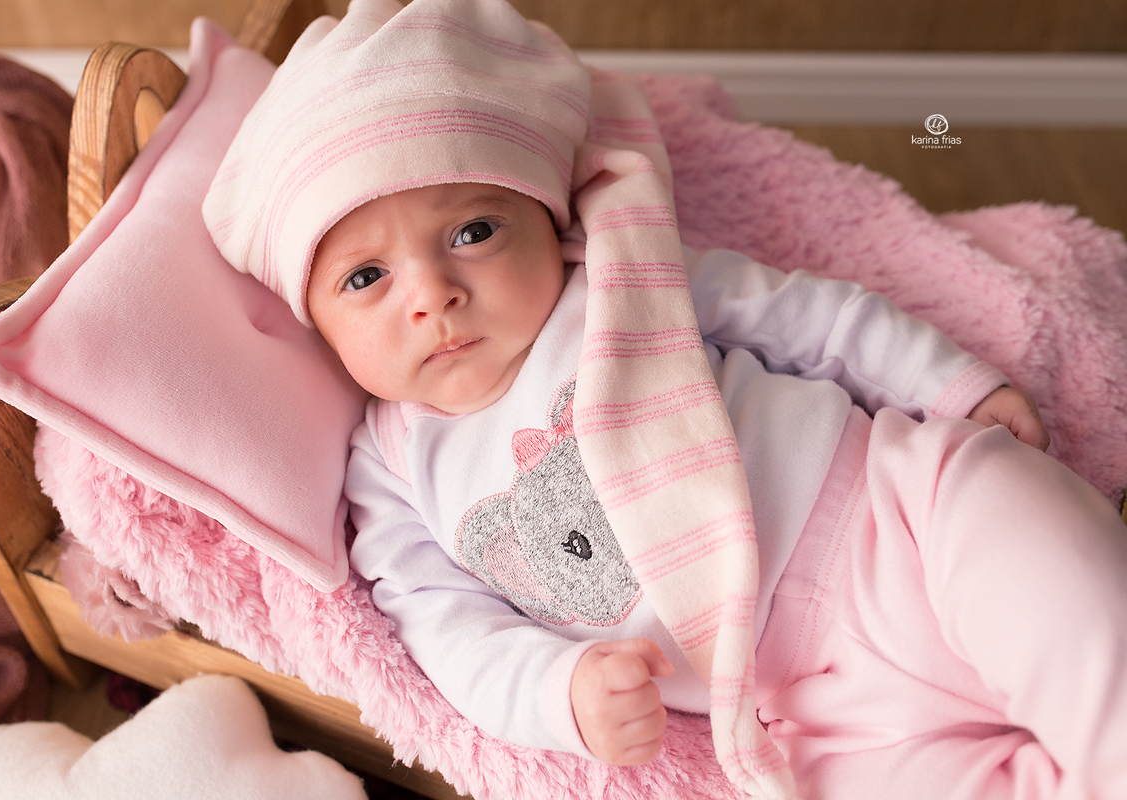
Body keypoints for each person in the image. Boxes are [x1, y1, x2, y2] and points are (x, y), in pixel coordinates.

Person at [202, 0, 1127, 797]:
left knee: (1075, 623)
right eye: (365, 278)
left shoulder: (619, 276)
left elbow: (809, 319)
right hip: (813, 710)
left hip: (904, 519)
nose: (431, 294)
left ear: (545, 216)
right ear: (317, 322)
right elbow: (449, 633)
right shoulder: (391, 470)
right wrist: (560, 693)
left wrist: (949, 384)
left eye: (473, 231)